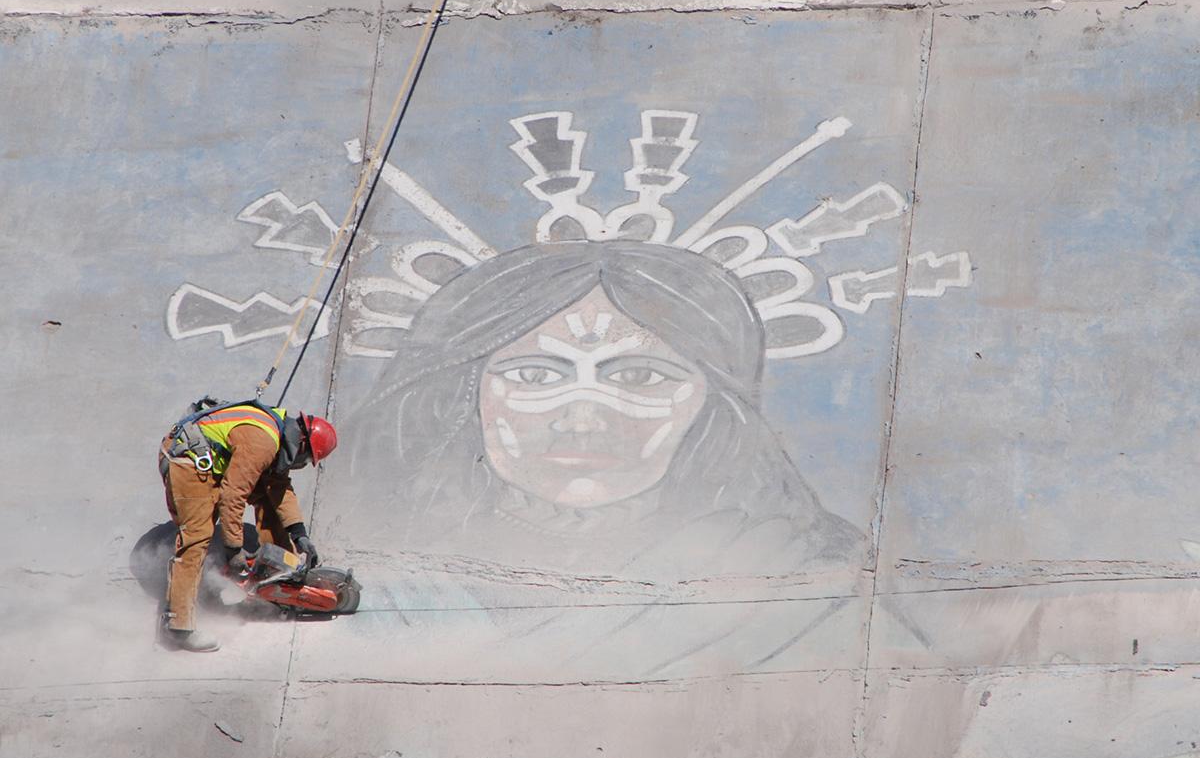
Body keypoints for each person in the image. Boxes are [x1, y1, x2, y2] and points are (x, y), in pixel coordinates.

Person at [343, 240, 861, 581]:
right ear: (464, 394)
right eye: (536, 375)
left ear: (712, 404)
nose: (582, 421)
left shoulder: (810, 576)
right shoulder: (366, 563)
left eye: (639, 376)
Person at [157, 400, 337, 651]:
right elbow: (233, 495)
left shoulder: (278, 436)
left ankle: (278, 581)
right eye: (306, 460)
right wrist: (234, 549)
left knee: (267, 495)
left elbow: (279, 489)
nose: (302, 465)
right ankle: (178, 628)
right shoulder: (263, 442)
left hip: (206, 461)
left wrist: (300, 535)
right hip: (187, 462)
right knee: (196, 538)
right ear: (302, 444)